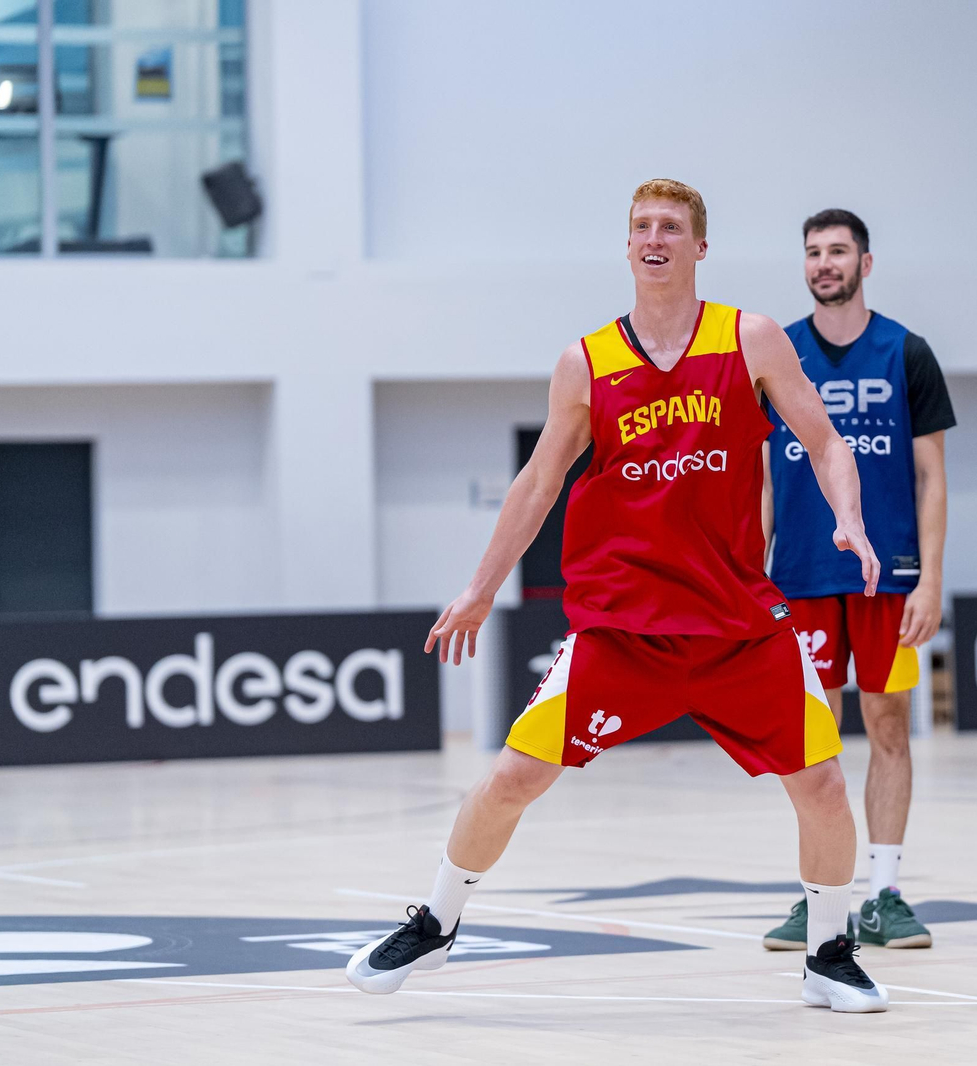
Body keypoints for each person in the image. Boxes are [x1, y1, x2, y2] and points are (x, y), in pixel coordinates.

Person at [345, 180, 890, 1013]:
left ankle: (827, 952)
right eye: (641, 227)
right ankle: (438, 922)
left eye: (671, 227)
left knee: (821, 785)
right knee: (511, 779)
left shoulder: (751, 338)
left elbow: (823, 439)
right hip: (623, 628)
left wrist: (848, 517)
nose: (654, 238)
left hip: (738, 624)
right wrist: (480, 590)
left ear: (699, 247)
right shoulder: (586, 363)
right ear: (627, 246)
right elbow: (537, 485)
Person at [762, 209, 955, 951]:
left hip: (890, 580)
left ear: (865, 263)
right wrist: (754, 575)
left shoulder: (906, 353)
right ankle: (821, 896)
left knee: (889, 728)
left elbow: (932, 478)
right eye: (812, 252)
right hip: (803, 577)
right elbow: (763, 480)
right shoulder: (776, 353)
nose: (823, 263)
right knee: (812, 741)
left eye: (837, 251)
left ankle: (885, 893)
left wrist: (931, 579)